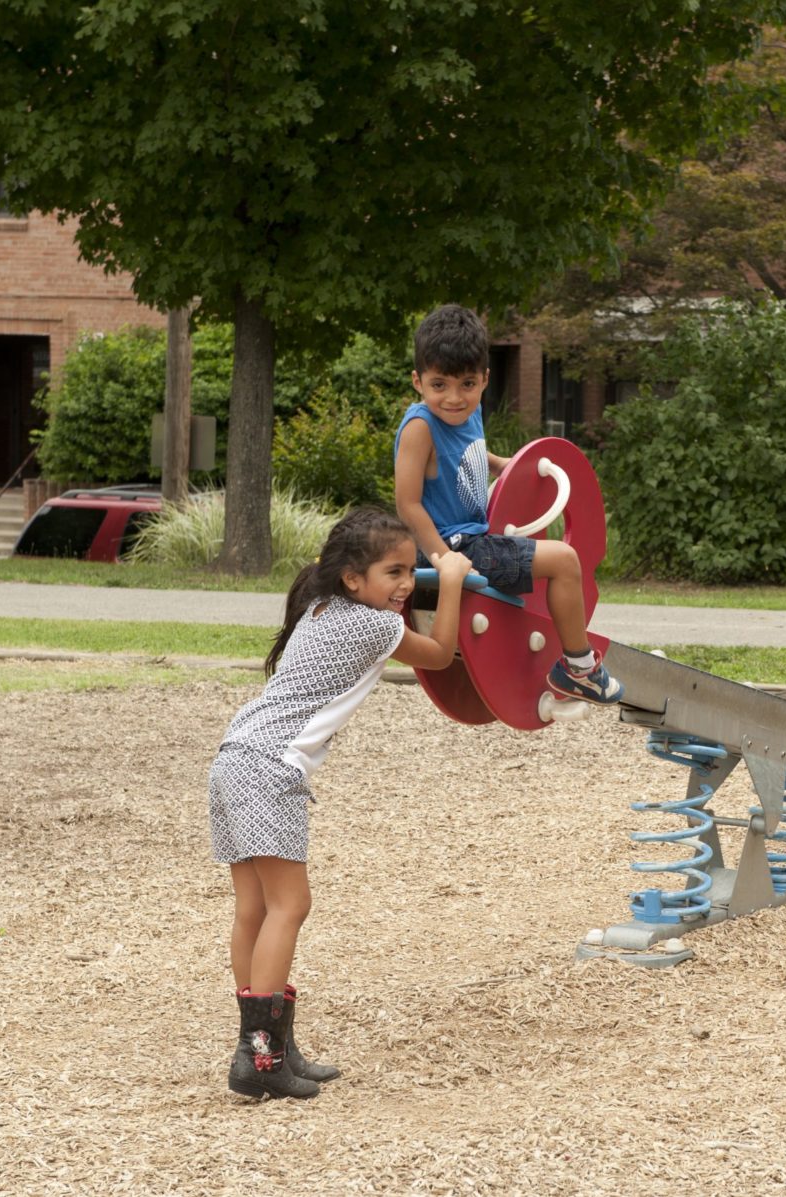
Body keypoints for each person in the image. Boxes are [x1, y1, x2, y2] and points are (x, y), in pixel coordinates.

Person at [208, 506, 473, 1099]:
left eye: (413, 571)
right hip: (268, 767)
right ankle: (262, 1058)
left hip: (236, 755)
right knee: (288, 906)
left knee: (255, 910)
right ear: (353, 578)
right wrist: (449, 580)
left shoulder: (322, 608)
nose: (407, 584)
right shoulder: (371, 625)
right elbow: (440, 653)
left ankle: (264, 1046)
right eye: (395, 572)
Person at [393, 303, 623, 705]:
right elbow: (408, 504)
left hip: (472, 542)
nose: (453, 398)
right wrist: (444, 558)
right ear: (418, 381)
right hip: (459, 547)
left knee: (555, 560)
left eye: (466, 384)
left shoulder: (470, 413)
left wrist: (507, 465)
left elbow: (469, 456)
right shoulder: (420, 427)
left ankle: (568, 653)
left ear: (484, 379)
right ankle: (580, 669)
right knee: (565, 560)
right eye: (439, 385)